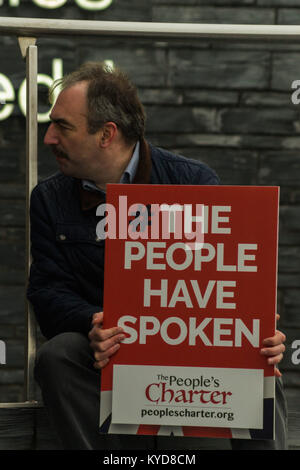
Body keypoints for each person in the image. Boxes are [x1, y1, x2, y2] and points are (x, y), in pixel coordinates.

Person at [27, 62, 288, 451]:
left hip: (188, 351)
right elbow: (47, 290)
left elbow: (227, 278)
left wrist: (257, 328)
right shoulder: (49, 198)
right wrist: (92, 323)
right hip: (104, 351)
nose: (49, 138)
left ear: (106, 134)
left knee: (259, 359)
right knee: (58, 354)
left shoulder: (193, 182)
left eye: (62, 126)